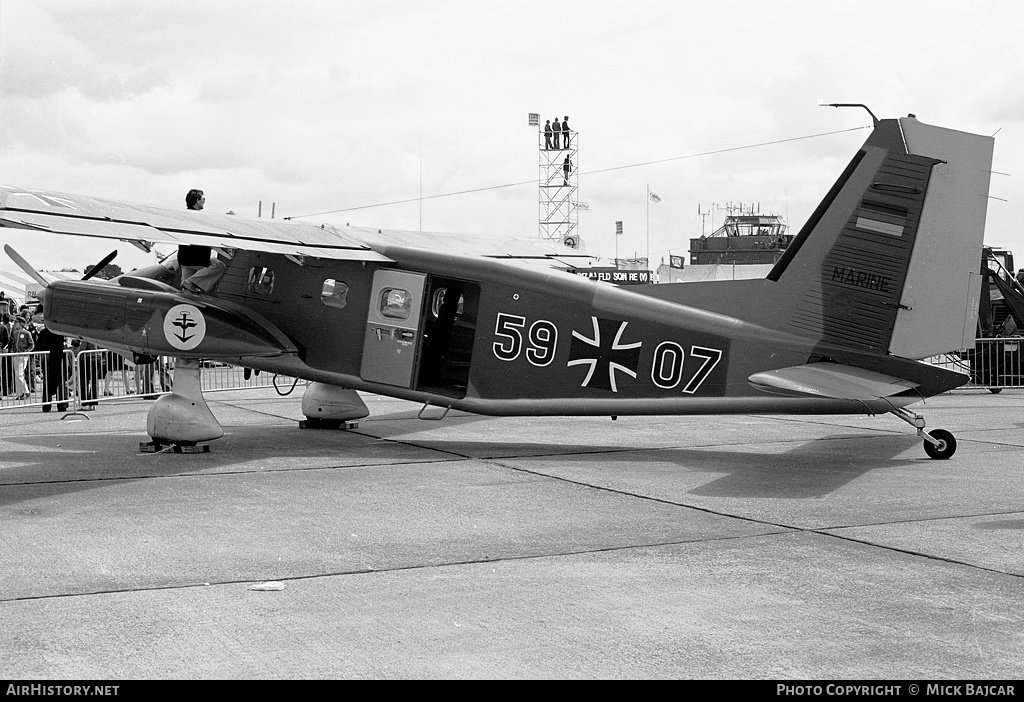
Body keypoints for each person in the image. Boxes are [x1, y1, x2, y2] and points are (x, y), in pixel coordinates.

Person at [35, 320, 68, 412]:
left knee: (47, 380)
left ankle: (46, 405)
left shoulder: (43, 332)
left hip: (46, 356)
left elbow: (38, 347)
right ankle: (62, 404)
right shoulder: (59, 332)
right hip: (58, 355)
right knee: (60, 379)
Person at [10, 316, 34, 400]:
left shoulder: (27, 333)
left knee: (20, 374)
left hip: (23, 356)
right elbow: (12, 343)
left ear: (21, 323)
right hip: (15, 355)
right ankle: (19, 393)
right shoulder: (14, 333)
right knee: (17, 374)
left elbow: (31, 344)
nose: (15, 324)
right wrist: (13, 351)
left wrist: (26, 351)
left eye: (16, 322)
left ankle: (26, 391)